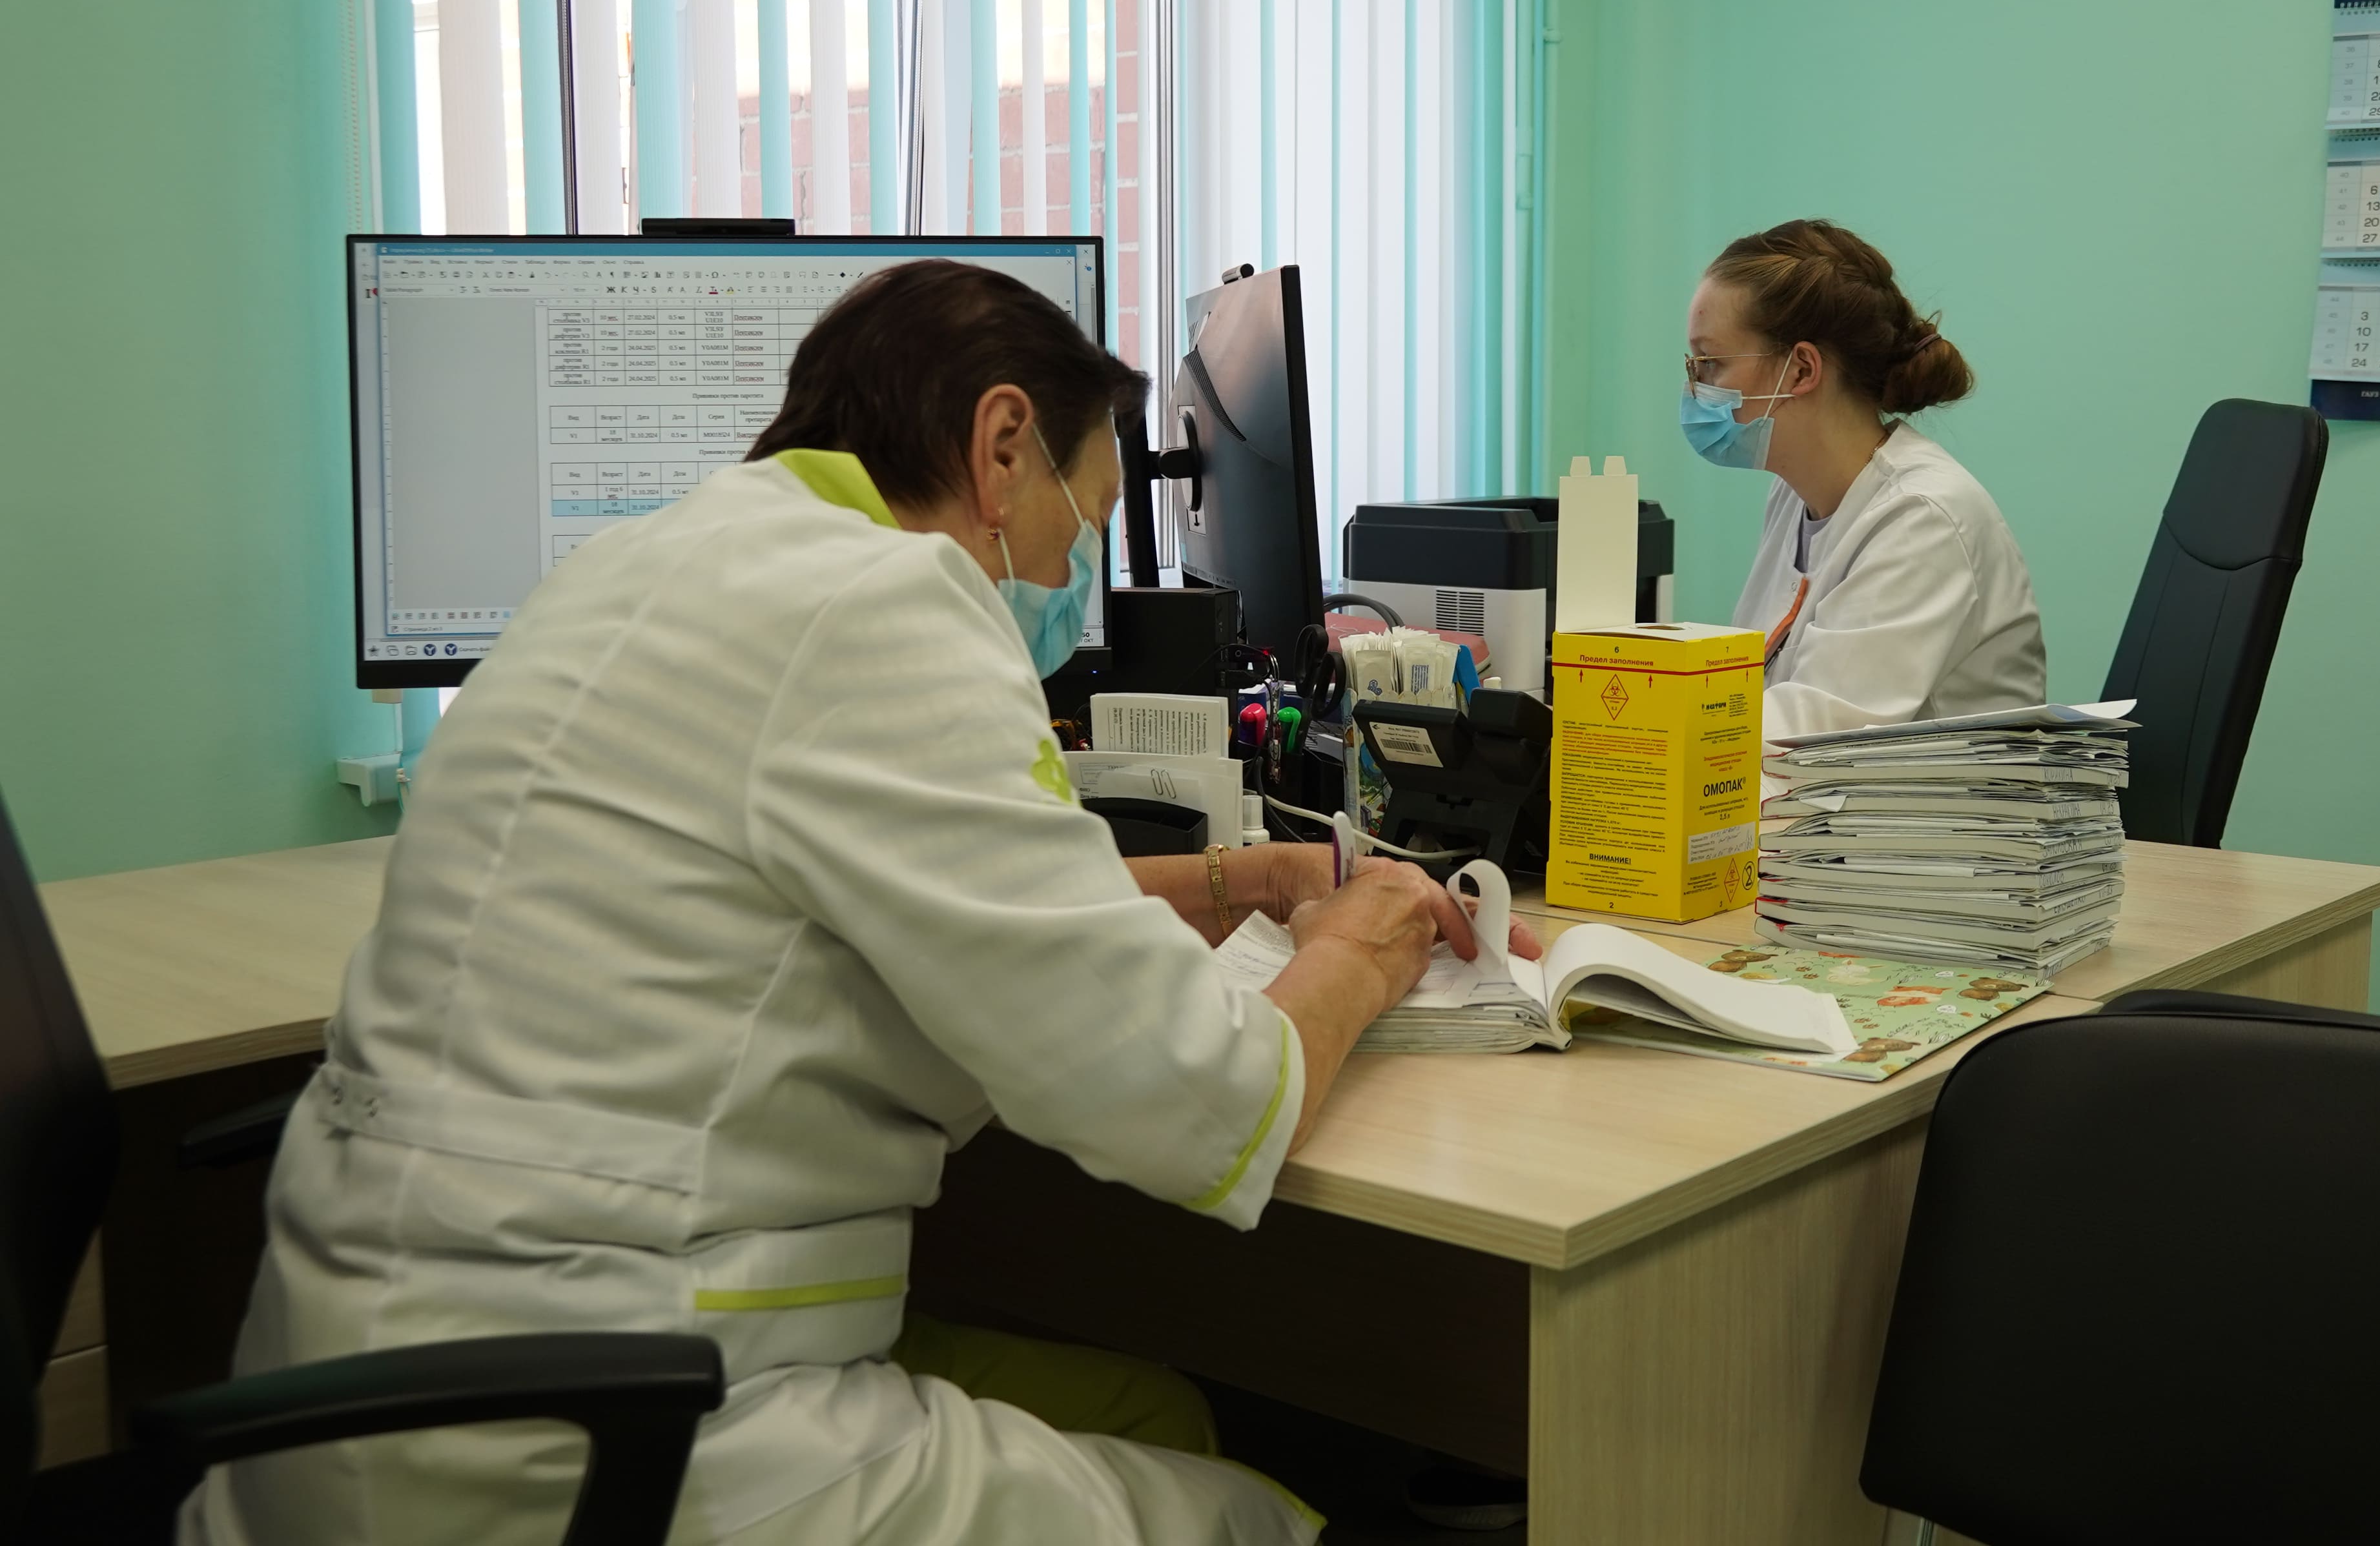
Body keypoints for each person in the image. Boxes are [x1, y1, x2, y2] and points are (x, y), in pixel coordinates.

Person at [184, 259, 1536, 1546]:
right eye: (1088, 513)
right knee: (1244, 1517)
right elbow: (1203, 1102)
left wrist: (1246, 878)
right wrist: (1367, 940)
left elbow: (932, 889)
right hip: (610, 1408)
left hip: (372, 1373)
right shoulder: (889, 603)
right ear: (1002, 446)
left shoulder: (653, 562)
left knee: (1145, 1407)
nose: (1080, 566)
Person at [1679, 219, 2045, 740]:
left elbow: (1812, 735)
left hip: (1922, 794)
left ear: (1802, 370)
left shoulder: (1923, 516)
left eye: (1710, 362)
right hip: (1821, 791)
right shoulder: (1794, 496)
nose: (1696, 387)